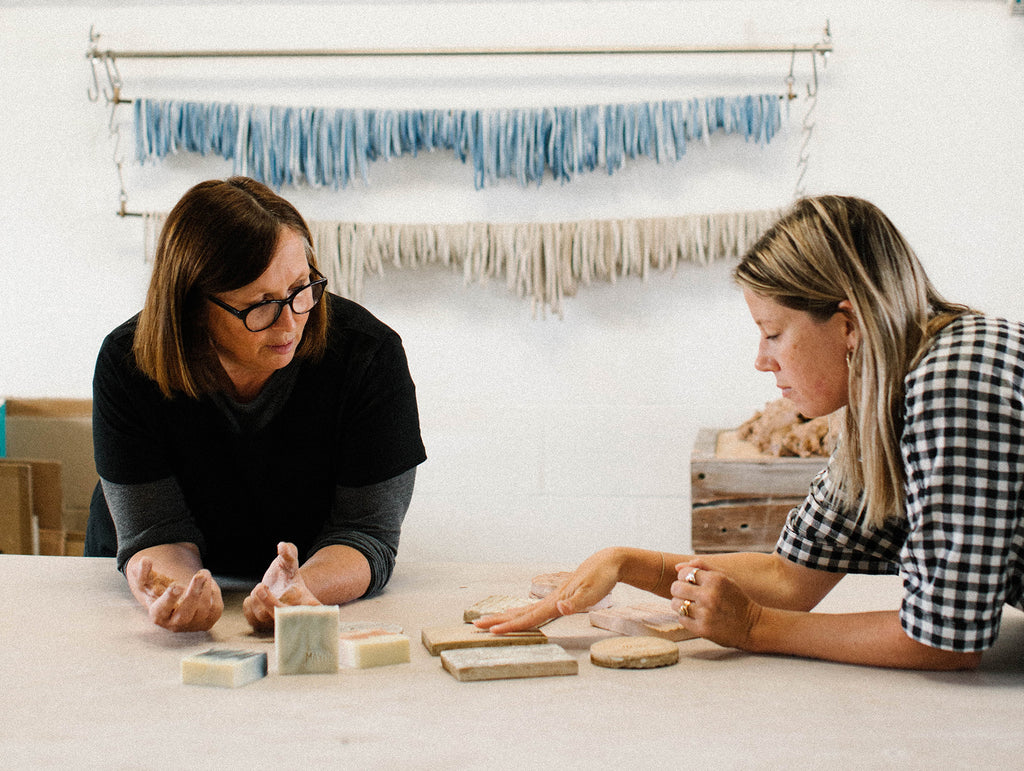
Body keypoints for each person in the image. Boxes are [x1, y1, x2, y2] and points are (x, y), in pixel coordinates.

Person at [477, 195, 1024, 670]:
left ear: (849, 323)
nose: (762, 361)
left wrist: (755, 628)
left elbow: (943, 642)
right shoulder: (886, 398)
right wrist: (625, 562)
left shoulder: (956, 380)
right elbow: (791, 578)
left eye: (773, 333)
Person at [84, 176, 427, 633]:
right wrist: (183, 593)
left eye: (302, 287)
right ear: (193, 306)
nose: (290, 323)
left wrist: (304, 589)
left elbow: (366, 534)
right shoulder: (128, 364)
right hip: (160, 578)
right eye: (260, 305)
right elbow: (155, 534)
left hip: (307, 571)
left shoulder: (368, 356)